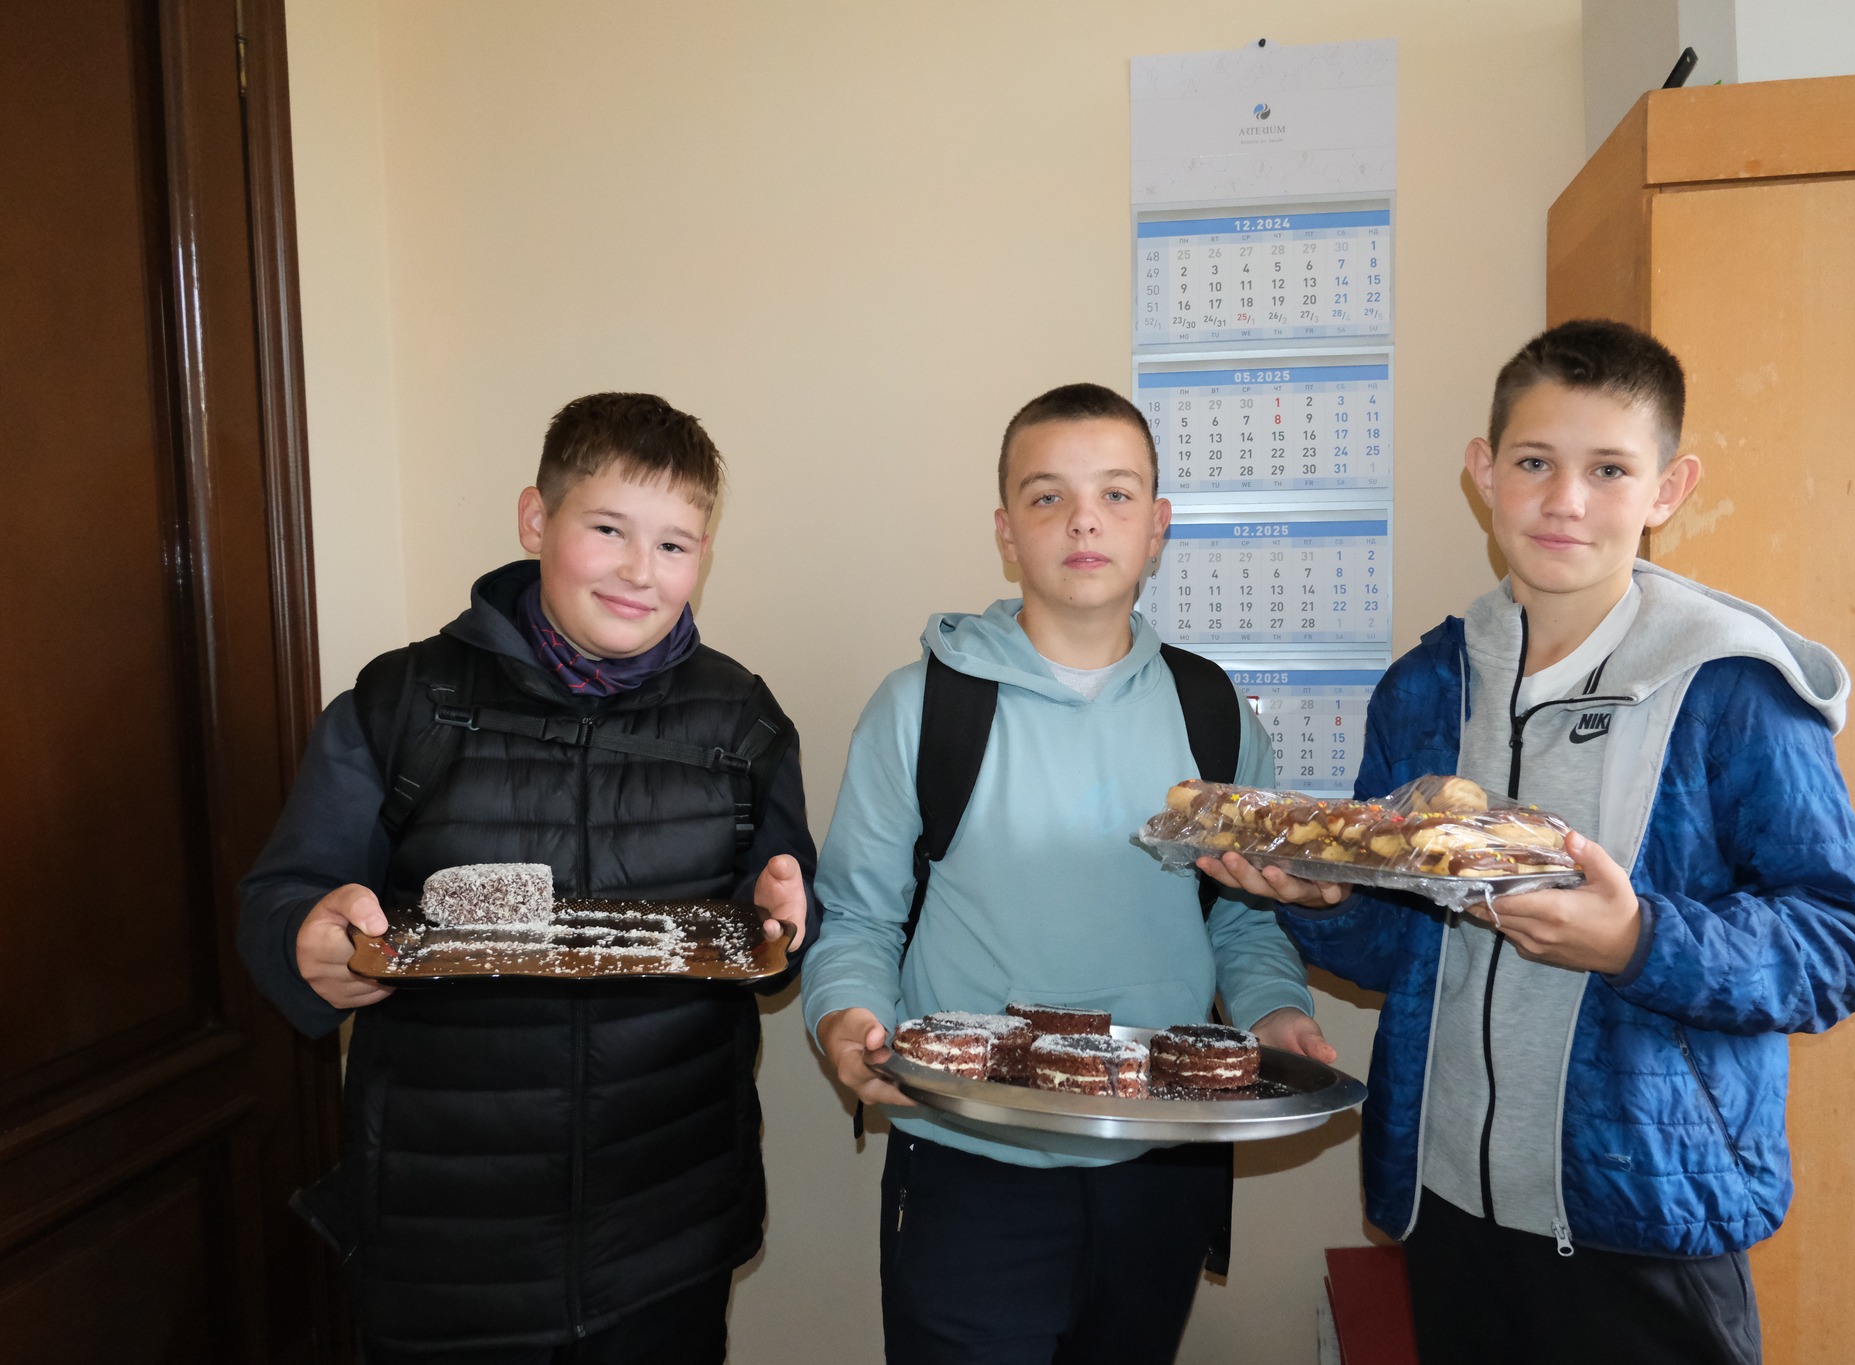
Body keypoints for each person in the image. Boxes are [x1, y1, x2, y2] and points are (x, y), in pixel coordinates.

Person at [1204, 320, 1855, 1365]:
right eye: (1533, 463)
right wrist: (1327, 905)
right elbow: (1406, 954)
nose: (1564, 500)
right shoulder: (1425, 688)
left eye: (1608, 469)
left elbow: (1846, 943)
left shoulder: (1731, 688)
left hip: (1643, 1223)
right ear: (1484, 473)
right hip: (1448, 1208)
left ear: (1667, 489)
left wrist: (1637, 940)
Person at [237, 393, 816, 1364]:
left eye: (674, 544)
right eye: (608, 529)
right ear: (535, 520)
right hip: (445, 1236)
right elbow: (283, 894)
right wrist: (304, 938)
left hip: (666, 1226)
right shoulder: (403, 701)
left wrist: (787, 924)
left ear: (704, 555)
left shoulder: (739, 718)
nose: (640, 570)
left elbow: (781, 911)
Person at [802, 383, 1333, 1365]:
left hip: (1162, 1158)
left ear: (1156, 526)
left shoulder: (1212, 711)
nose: (1083, 520)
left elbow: (1240, 915)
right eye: (1047, 496)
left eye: (1115, 495)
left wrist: (1274, 1012)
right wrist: (847, 1021)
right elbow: (858, 920)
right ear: (1007, 532)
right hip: (969, 1163)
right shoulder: (921, 708)